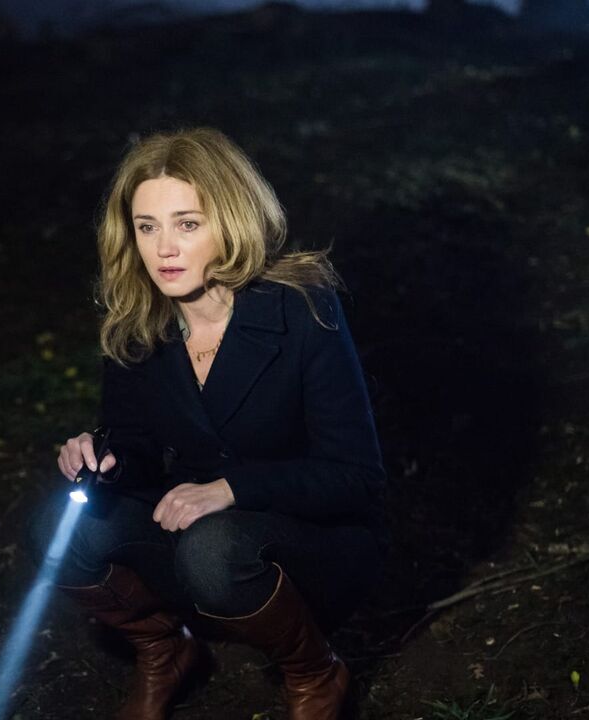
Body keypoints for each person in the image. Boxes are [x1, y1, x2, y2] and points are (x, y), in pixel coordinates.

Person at [32, 127, 386, 720]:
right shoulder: (138, 320)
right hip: (194, 532)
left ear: (230, 222)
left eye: (187, 224)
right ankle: (165, 651)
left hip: (312, 541)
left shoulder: (302, 308)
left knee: (213, 549)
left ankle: (314, 671)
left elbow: (356, 476)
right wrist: (104, 457)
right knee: (56, 527)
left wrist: (231, 489)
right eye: (147, 227)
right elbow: (138, 445)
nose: (164, 249)